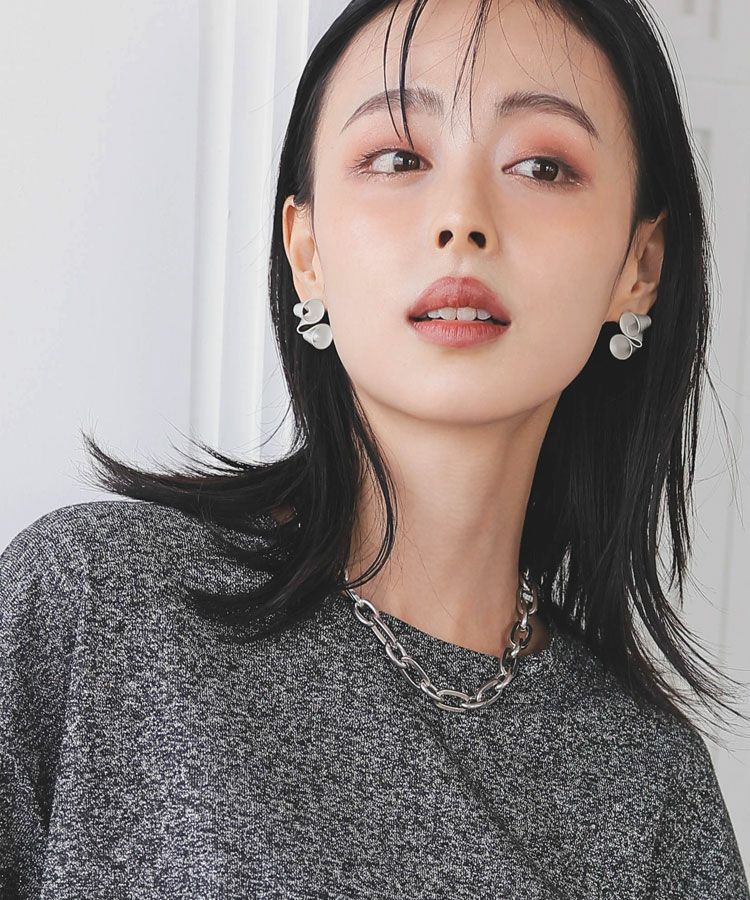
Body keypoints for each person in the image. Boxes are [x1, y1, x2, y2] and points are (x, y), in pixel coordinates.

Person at [2, 0, 749, 897]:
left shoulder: (651, 787)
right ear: (306, 249)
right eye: (397, 158)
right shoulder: (97, 603)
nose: (462, 220)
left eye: (542, 166)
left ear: (640, 266)